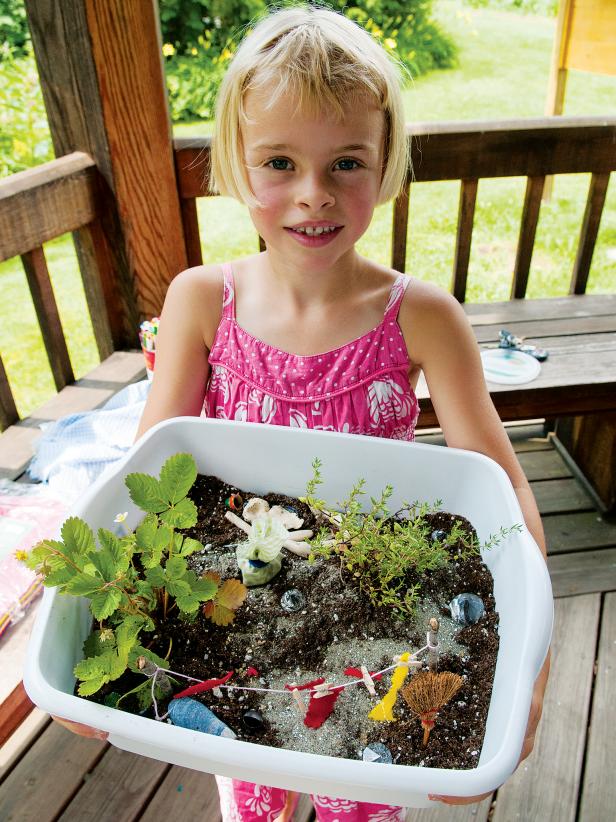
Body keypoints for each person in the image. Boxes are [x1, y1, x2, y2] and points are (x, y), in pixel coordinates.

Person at [58, 5, 550, 820]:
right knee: (258, 793)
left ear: (386, 160)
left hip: (373, 620)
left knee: (361, 790)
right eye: (279, 162)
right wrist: (83, 631)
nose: (313, 196)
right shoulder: (200, 302)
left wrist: (527, 669)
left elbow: (504, 494)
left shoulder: (424, 318)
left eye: (347, 162)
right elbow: (142, 486)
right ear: (234, 164)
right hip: (234, 621)